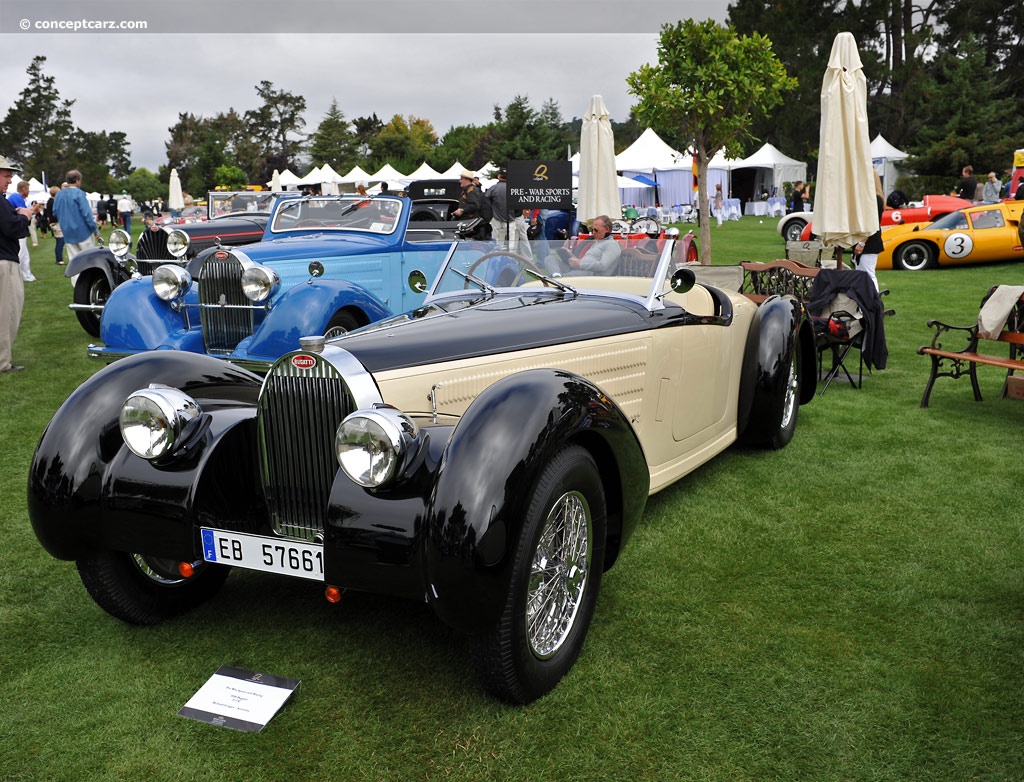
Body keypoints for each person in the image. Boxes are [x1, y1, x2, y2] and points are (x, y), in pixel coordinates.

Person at [0, 155, 33, 373]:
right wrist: (25, 216)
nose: (9, 181)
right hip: (4, 262)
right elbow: (12, 229)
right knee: (7, 312)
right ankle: (2, 362)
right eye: (5, 176)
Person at [542, 214, 621, 276]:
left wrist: (580, 265)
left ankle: (558, 279)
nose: (593, 232)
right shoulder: (598, 242)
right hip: (580, 270)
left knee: (565, 277)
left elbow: (603, 266)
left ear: (607, 229)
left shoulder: (612, 245)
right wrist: (571, 255)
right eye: (591, 229)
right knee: (549, 259)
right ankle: (557, 277)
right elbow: (584, 262)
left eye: (596, 230)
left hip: (591, 275)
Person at [53, 169, 100, 260]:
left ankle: (76, 275)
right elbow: (86, 214)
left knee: (74, 261)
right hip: (83, 232)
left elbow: (55, 212)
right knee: (89, 260)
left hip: (67, 232)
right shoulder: (79, 193)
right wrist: (95, 230)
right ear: (77, 180)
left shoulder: (59, 195)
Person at [854, 173, 885, 291]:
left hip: (869, 242)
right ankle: (867, 304)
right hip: (868, 240)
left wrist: (862, 243)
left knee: (868, 275)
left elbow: (873, 224)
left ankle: (873, 304)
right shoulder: (872, 198)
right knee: (863, 275)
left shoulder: (875, 199)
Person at [7, 179, 37, 281]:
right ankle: (16, 275)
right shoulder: (16, 197)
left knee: (24, 254)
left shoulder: (16, 197)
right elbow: (25, 213)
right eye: (28, 189)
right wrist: (33, 210)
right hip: (17, 230)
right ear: (23, 189)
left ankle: (26, 275)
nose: (28, 191)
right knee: (21, 254)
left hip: (19, 230)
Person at [486, 168, 512, 246]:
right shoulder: (513, 189)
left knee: (495, 240)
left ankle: (496, 254)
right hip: (511, 218)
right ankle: (511, 256)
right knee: (511, 242)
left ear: (499, 176)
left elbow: (486, 199)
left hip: (496, 217)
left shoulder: (493, 188)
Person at [44, 185, 64, 264]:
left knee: (60, 241)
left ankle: (59, 258)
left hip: (54, 223)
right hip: (55, 223)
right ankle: (59, 259)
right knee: (60, 241)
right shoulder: (53, 202)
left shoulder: (50, 201)